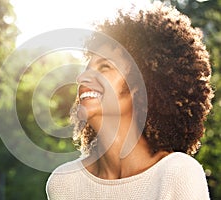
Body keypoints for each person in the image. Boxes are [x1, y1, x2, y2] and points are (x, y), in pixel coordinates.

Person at [46, 3, 213, 200]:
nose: (82, 78)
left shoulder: (177, 173)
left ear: (141, 86)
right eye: (87, 66)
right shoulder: (64, 183)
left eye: (105, 66)